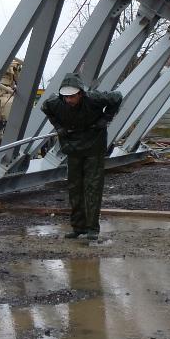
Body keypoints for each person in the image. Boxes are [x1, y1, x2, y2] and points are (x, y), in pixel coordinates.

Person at [41, 72, 122, 241]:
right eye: (66, 97)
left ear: (80, 93)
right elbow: (45, 108)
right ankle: (78, 227)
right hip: (73, 148)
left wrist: (106, 118)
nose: (69, 100)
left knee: (93, 187)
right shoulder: (56, 103)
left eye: (72, 96)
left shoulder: (94, 99)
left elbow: (117, 97)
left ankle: (92, 228)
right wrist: (58, 127)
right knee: (75, 188)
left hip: (94, 147)